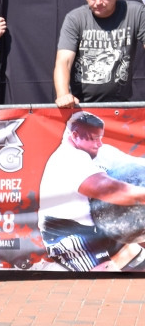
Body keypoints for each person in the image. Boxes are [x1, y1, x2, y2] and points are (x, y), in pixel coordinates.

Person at [37, 112, 145, 271]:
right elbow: (110, 190)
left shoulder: (102, 152)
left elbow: (138, 166)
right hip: (68, 234)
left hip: (101, 229)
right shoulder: (66, 159)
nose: (99, 143)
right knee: (99, 282)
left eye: (100, 137)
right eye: (94, 138)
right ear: (75, 135)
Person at [54, 0, 145, 107]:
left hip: (120, 106)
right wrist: (63, 95)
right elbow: (64, 61)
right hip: (81, 106)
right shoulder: (75, 18)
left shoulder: (136, 12)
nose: (98, 2)